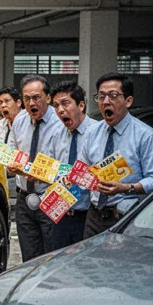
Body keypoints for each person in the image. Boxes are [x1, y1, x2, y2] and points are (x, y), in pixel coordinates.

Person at [81, 73, 153, 238]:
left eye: (113, 96)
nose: (106, 101)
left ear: (128, 101)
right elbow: (84, 169)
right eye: (101, 96)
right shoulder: (92, 132)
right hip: (94, 215)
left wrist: (127, 188)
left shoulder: (145, 135)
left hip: (125, 217)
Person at [6, 75, 63, 261]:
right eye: (27, 99)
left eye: (37, 97)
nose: (31, 103)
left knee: (52, 256)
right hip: (24, 197)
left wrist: (39, 173)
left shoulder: (61, 123)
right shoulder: (20, 120)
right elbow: (12, 152)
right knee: (29, 258)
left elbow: (66, 166)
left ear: (48, 98)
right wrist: (12, 165)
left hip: (52, 195)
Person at [49, 81, 99, 250]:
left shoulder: (98, 132)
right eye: (56, 106)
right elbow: (55, 169)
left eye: (65, 103)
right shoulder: (57, 135)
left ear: (81, 105)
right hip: (61, 212)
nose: (60, 110)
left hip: (89, 215)